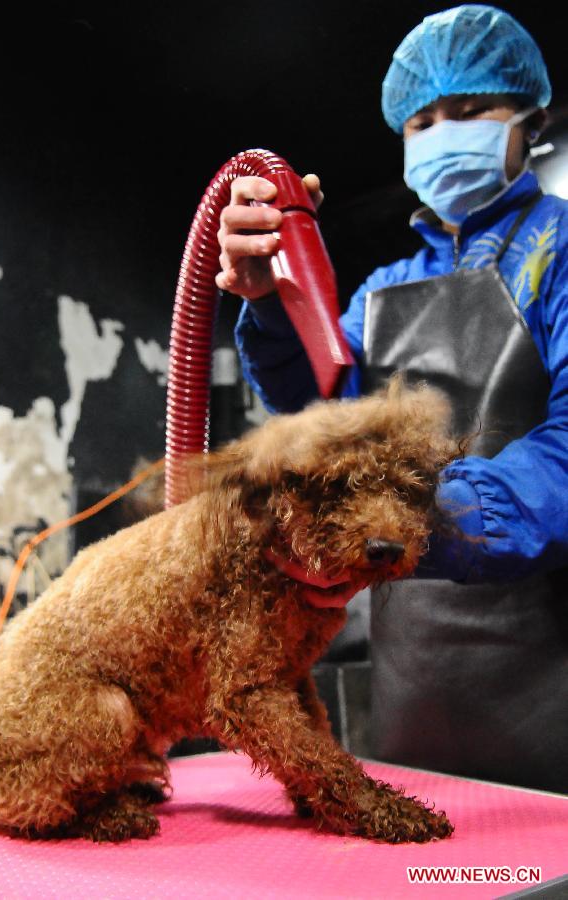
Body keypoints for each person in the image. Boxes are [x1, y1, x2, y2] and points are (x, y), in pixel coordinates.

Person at [216, 5, 568, 794]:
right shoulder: (384, 289)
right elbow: (319, 413)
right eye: (422, 121)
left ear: (530, 120)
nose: (445, 132)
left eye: (471, 112)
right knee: (421, 846)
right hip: (413, 670)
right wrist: (275, 304)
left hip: (549, 658)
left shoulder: (559, 252)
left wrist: (412, 520)